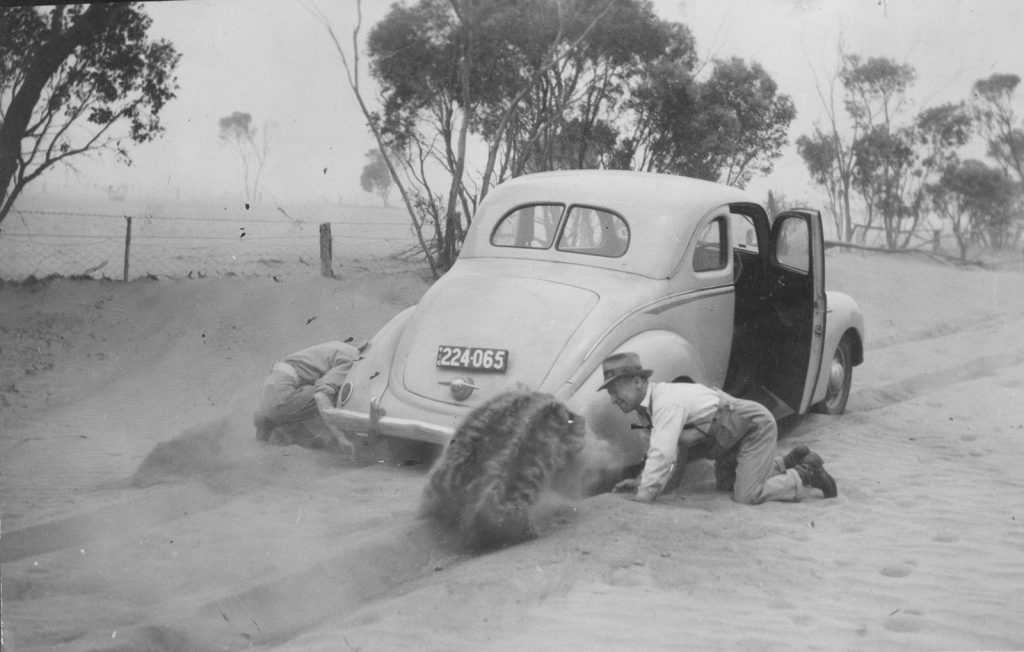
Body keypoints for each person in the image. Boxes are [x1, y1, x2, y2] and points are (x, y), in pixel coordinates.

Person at [598, 351, 837, 504]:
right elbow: (653, 453)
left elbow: (663, 453)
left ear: (638, 382)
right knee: (726, 485)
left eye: (615, 390)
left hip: (753, 426)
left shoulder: (665, 402)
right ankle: (790, 461)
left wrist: (644, 497)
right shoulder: (644, 413)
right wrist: (640, 482)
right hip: (731, 438)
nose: (613, 399)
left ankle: (806, 474)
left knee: (747, 495)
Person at [254, 340, 365, 449]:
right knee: (335, 394)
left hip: (268, 394)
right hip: (284, 398)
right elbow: (321, 396)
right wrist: (340, 436)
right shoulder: (353, 358)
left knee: (316, 391)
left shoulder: (338, 347)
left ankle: (274, 434)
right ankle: (343, 441)